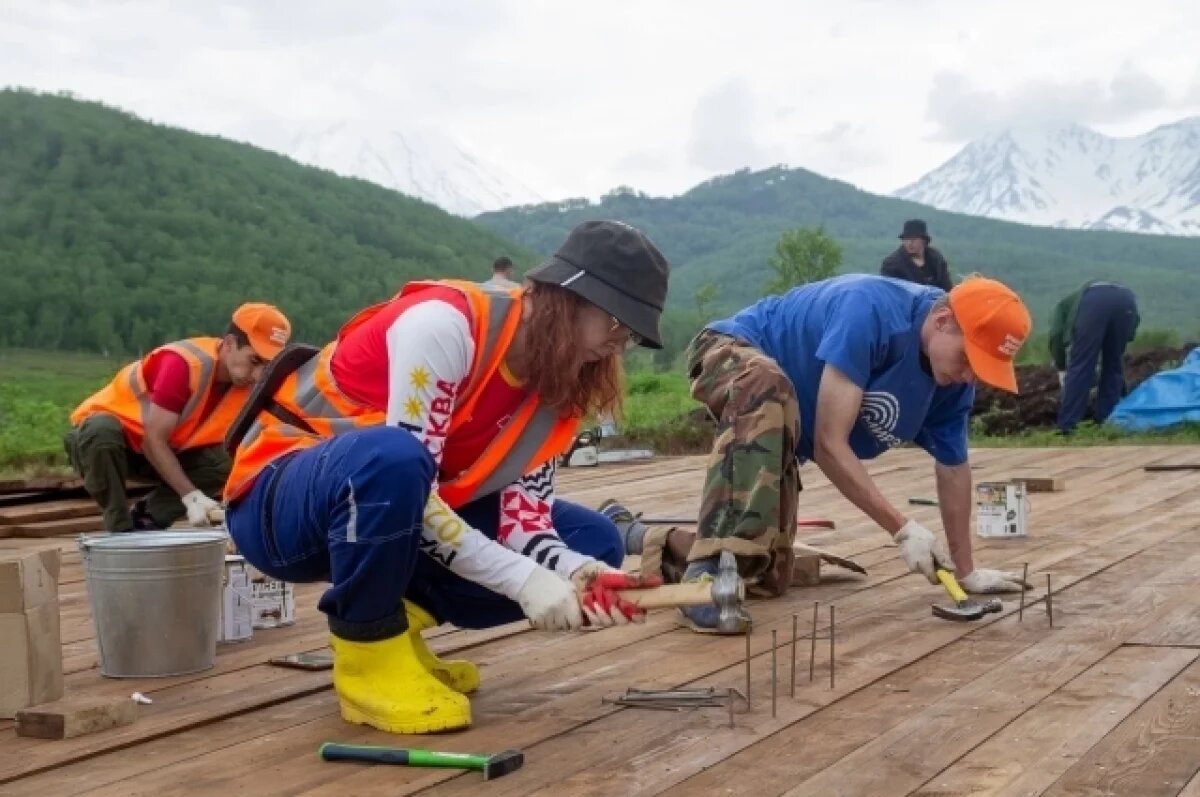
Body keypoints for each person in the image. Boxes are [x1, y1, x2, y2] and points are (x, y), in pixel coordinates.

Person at [222, 220, 670, 734]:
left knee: (593, 539)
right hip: (277, 504)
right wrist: (524, 581)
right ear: (568, 297)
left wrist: (578, 573)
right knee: (395, 457)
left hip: (388, 511)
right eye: (616, 322)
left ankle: (397, 625)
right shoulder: (444, 326)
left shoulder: (559, 384)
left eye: (631, 335)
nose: (620, 344)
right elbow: (416, 491)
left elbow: (526, 522)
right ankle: (367, 649)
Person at [621, 274, 1032, 632]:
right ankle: (704, 578)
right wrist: (902, 528)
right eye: (967, 359)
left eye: (980, 369)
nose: (968, 376)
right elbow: (830, 445)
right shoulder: (870, 311)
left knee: (762, 576)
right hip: (734, 354)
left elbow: (954, 470)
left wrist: (966, 571)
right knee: (767, 383)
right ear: (942, 321)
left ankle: (640, 537)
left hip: (784, 425)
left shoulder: (952, 386)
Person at [65, 303, 291, 532]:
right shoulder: (183, 365)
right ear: (230, 344)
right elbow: (153, 440)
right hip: (110, 447)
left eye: (267, 365)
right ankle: (120, 529)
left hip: (167, 453)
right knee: (101, 431)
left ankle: (148, 518)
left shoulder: (251, 385)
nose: (258, 374)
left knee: (232, 458)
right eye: (254, 361)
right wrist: (191, 496)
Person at [1049, 281, 1141, 434]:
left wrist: (1061, 366)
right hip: (1127, 301)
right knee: (1113, 366)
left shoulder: (1062, 308)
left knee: (1081, 365)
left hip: (1094, 304)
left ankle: (1067, 426)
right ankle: (1109, 422)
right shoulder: (1073, 301)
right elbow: (1134, 322)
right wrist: (1123, 339)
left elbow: (1056, 335)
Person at [881, 219, 953, 291]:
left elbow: (947, 287)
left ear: (924, 240)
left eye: (914, 239)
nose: (910, 243)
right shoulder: (892, 264)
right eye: (906, 239)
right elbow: (890, 292)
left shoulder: (936, 259)